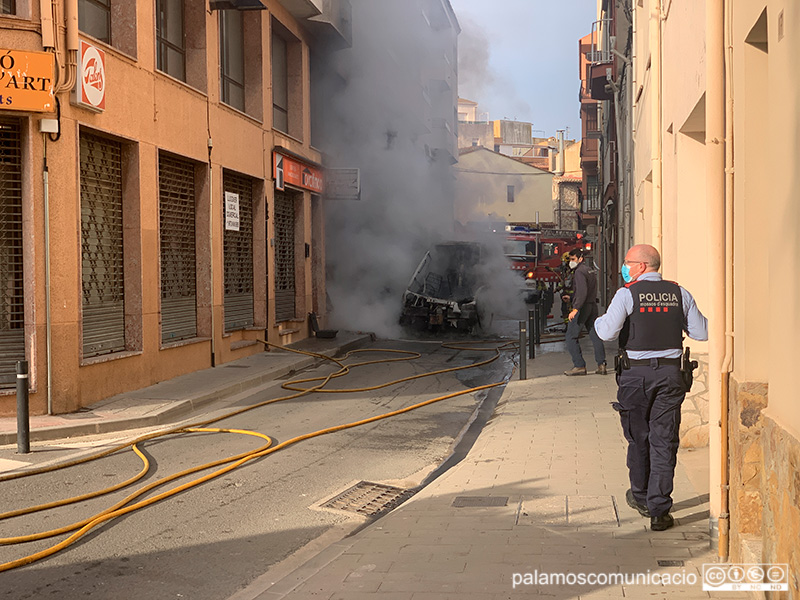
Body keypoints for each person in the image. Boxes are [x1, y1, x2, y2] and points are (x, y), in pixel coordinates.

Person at [594, 244, 708, 532]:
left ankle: (641, 496)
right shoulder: (679, 293)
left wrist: (597, 319)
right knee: (664, 441)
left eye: (627, 262)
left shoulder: (627, 294)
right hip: (670, 377)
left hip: (635, 377)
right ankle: (659, 510)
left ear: (641, 266)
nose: (624, 267)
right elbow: (701, 332)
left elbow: (607, 332)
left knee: (638, 437)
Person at [563, 248, 607, 376]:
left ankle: (579, 365)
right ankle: (601, 364)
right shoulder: (590, 270)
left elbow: (582, 292)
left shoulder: (579, 272)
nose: (571, 262)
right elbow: (588, 291)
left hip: (583, 308)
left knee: (571, 336)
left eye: (573, 259)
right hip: (592, 306)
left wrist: (575, 308)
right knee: (595, 335)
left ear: (580, 259)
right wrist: (571, 298)